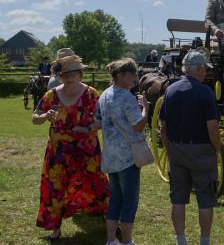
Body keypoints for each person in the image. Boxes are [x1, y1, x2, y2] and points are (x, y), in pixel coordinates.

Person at [32, 48, 109, 241]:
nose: (70, 78)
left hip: (87, 151)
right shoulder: (51, 95)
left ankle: (111, 221)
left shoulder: (91, 94)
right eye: (65, 74)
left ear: (80, 74)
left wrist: (89, 128)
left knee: (98, 185)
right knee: (54, 188)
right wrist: (44, 116)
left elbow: (103, 120)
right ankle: (55, 230)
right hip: (58, 153)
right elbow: (35, 117)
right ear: (60, 75)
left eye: (73, 74)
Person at [159, 51, 220, 245]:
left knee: (177, 199)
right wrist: (216, 150)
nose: (206, 73)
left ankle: (181, 240)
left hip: (177, 150)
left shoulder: (171, 90)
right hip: (202, 151)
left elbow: (163, 127)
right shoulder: (205, 92)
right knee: (205, 199)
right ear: (199, 68)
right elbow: (212, 129)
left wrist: (170, 151)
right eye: (205, 69)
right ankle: (204, 241)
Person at [97, 58, 148, 245]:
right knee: (130, 201)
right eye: (132, 73)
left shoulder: (104, 94)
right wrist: (146, 109)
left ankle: (111, 240)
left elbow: (98, 121)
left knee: (116, 199)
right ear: (120, 75)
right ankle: (127, 241)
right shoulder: (126, 97)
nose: (135, 77)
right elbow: (138, 126)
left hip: (111, 157)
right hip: (128, 158)